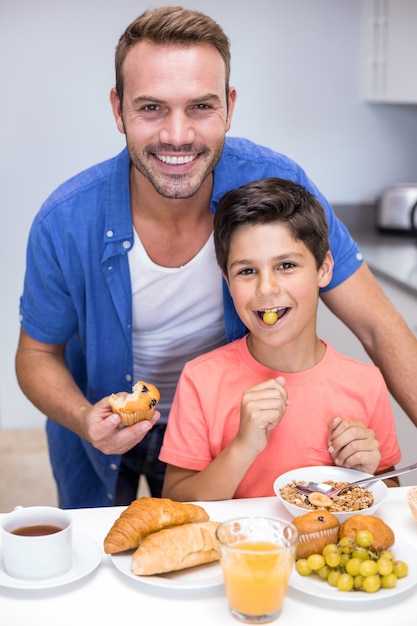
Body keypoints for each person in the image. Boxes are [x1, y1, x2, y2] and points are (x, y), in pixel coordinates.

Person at [15, 6, 415, 509]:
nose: (177, 136)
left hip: (220, 431)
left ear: (229, 105)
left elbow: (379, 326)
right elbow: (36, 355)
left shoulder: (277, 184)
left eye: (201, 107)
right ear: (118, 109)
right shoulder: (65, 220)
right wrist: (82, 419)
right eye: (152, 108)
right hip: (96, 434)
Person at [160, 177, 402, 501]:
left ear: (324, 269)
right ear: (226, 280)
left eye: (286, 265)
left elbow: (392, 494)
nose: (266, 289)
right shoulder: (200, 380)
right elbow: (175, 503)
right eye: (247, 271)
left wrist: (367, 473)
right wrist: (243, 447)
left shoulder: (366, 384)